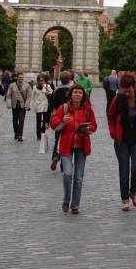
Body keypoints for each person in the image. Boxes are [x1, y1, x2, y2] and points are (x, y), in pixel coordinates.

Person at [107, 73, 136, 211]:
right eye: (124, 90)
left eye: (129, 90)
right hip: (121, 140)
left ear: (134, 87)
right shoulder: (118, 99)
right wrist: (113, 133)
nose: (126, 93)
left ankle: (133, 192)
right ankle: (125, 199)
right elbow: (110, 116)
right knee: (124, 170)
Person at [49, 83, 97, 214]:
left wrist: (87, 129)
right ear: (71, 94)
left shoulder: (88, 109)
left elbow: (94, 126)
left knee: (79, 177)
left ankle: (75, 205)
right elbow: (53, 125)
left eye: (80, 93)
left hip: (81, 145)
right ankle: (66, 199)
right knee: (67, 174)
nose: (77, 95)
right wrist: (62, 121)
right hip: (66, 145)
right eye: (75, 92)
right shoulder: (64, 108)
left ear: (83, 95)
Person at [49, 71, 74, 170]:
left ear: (60, 79)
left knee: (57, 139)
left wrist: (48, 120)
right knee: (68, 140)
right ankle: (64, 164)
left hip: (59, 118)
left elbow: (51, 105)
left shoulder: (56, 91)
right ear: (70, 79)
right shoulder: (72, 91)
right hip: (70, 118)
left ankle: (56, 156)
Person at [31, 73, 53, 153]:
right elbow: (32, 97)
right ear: (37, 81)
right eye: (40, 81)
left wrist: (48, 92)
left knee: (44, 121)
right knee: (38, 121)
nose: (41, 82)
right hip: (38, 105)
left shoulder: (47, 86)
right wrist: (30, 105)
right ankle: (38, 135)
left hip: (45, 105)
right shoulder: (34, 87)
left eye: (42, 81)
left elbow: (52, 92)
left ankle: (43, 131)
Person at [7, 72, 31, 140]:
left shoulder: (27, 85)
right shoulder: (12, 85)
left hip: (22, 105)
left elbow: (29, 96)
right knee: (14, 120)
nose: (21, 79)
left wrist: (27, 104)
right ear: (17, 78)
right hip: (14, 104)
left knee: (21, 120)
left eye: (22, 77)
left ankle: (20, 135)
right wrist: (9, 104)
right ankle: (16, 133)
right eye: (20, 77)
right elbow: (8, 95)